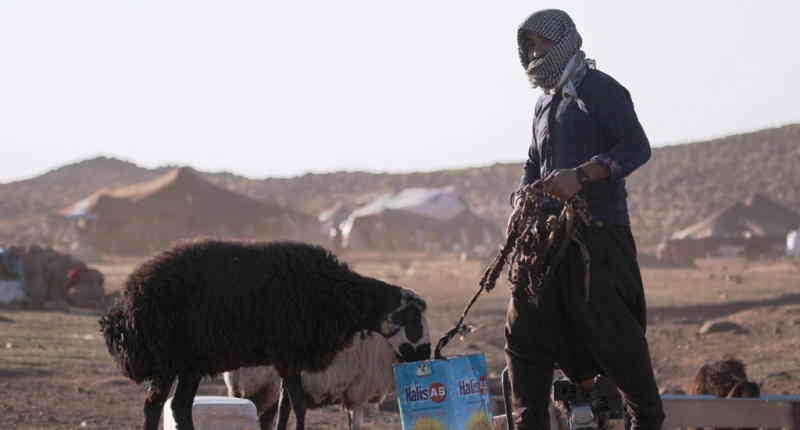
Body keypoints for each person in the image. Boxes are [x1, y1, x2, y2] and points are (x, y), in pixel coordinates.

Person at [504, 9, 665, 429]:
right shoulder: (543, 104)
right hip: (547, 241)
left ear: (566, 41)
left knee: (614, 337)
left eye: (542, 44)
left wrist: (582, 175)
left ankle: (647, 419)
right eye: (530, 46)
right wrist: (525, 198)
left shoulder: (601, 90)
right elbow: (533, 162)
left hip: (599, 236)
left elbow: (636, 147)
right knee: (523, 332)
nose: (535, 53)